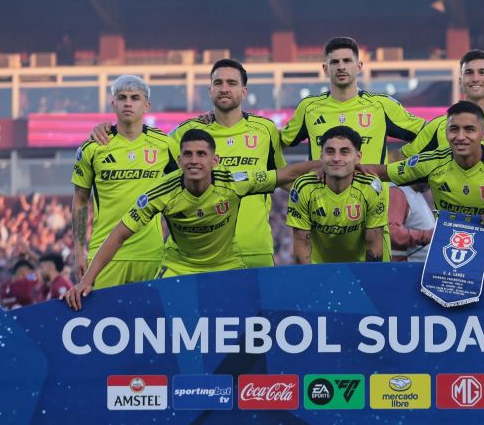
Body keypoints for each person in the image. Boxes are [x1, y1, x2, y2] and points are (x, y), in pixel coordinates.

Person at [65, 129, 318, 310]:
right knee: (161, 319)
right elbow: (119, 234)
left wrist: (328, 164)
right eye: (188, 154)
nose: (194, 160)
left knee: (251, 319)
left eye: (201, 154)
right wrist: (86, 281)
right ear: (179, 160)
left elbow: (285, 173)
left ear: (214, 160)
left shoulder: (234, 182)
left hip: (226, 264)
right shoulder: (162, 192)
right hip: (179, 266)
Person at [91, 60, 287, 270]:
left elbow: (283, 178)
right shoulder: (186, 132)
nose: (224, 89)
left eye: (231, 83)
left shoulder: (265, 130)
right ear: (210, 90)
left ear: (244, 90)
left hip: (255, 250)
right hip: (196, 258)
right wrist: (110, 129)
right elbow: (140, 146)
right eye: (218, 83)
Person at [362, 101, 484, 265]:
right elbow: (382, 172)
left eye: (469, 129)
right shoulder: (431, 162)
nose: (461, 136)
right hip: (449, 260)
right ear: (446, 132)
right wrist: (344, 167)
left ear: (483, 134)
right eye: (454, 129)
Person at [73, 75, 178, 288]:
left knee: (150, 321)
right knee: (105, 320)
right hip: (105, 258)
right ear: (113, 103)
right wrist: (78, 251)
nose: (128, 103)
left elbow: (186, 186)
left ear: (146, 105)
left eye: (135, 98)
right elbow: (80, 200)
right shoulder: (92, 148)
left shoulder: (165, 145)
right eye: (122, 97)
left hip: (151, 255)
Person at [280, 36, 425, 163]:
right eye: (335, 62)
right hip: (322, 195)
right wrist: (291, 178)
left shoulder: (381, 105)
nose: (341, 67)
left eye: (347, 61)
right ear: (325, 69)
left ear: (358, 66)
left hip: (370, 194)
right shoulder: (309, 107)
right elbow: (277, 143)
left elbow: (431, 131)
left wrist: (401, 155)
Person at [394, 49, 484, 161]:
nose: (475, 78)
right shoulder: (439, 125)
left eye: (482, 72)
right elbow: (403, 159)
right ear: (460, 81)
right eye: (469, 73)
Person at [287, 126, 389, 263]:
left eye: (344, 152)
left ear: (358, 157)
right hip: (318, 271)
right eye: (330, 151)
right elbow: (301, 244)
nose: (336, 158)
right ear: (321, 156)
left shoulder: (371, 187)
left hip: (358, 271)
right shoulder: (303, 187)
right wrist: (309, 281)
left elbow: (374, 244)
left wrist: (367, 281)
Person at [388, 183, 435, 262]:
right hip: (403, 269)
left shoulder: (417, 193)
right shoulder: (398, 191)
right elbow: (390, 231)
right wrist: (425, 235)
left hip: (419, 269)